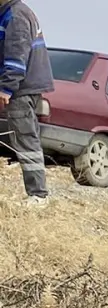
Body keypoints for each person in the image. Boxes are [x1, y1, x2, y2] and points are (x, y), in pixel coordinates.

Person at [0, 0, 52, 204]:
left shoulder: (16, 16)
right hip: (24, 87)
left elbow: (15, 58)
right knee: (25, 139)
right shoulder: (13, 12)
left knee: (26, 140)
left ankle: (38, 195)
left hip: (21, 89)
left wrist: (6, 88)